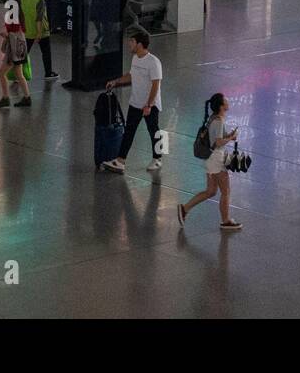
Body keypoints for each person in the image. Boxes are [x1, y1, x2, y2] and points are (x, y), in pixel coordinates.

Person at [100, 29, 164, 173]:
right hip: (135, 103)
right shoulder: (135, 58)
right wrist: (116, 81)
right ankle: (121, 160)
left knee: (155, 131)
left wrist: (149, 104)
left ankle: (158, 158)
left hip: (150, 105)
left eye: (132, 41)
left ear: (140, 44)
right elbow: (131, 75)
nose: (129, 44)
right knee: (129, 131)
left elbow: (156, 85)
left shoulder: (153, 62)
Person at [177, 92, 242, 231]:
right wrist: (230, 139)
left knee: (211, 191)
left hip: (210, 160)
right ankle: (226, 221)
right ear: (221, 106)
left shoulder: (214, 118)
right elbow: (217, 142)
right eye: (225, 99)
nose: (228, 100)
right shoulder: (218, 121)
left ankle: (184, 209)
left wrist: (230, 135)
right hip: (216, 160)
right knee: (226, 191)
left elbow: (216, 138)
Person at [20, 0, 59, 82]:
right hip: (41, 31)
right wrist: (39, 33)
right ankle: (48, 72)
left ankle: (18, 73)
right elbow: (39, 18)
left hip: (26, 29)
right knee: (46, 52)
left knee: (24, 52)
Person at [0, 20, 32, 109]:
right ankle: (27, 97)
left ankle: (5, 98)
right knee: (19, 74)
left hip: (13, 51)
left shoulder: (13, 21)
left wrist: (6, 36)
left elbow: (12, 36)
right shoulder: (18, 21)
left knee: (1, 73)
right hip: (19, 49)